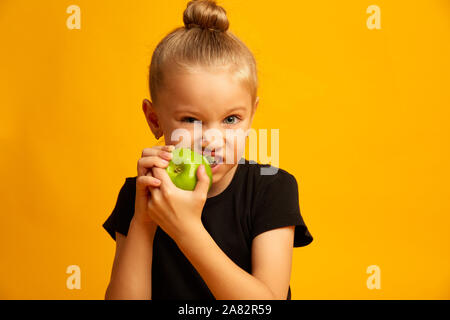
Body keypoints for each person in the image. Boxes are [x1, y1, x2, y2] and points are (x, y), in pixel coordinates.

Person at [102, 0, 313, 300]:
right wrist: (145, 222)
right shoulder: (139, 194)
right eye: (191, 120)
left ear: (251, 116)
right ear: (154, 119)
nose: (212, 140)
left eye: (231, 119)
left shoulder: (271, 188)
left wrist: (187, 230)